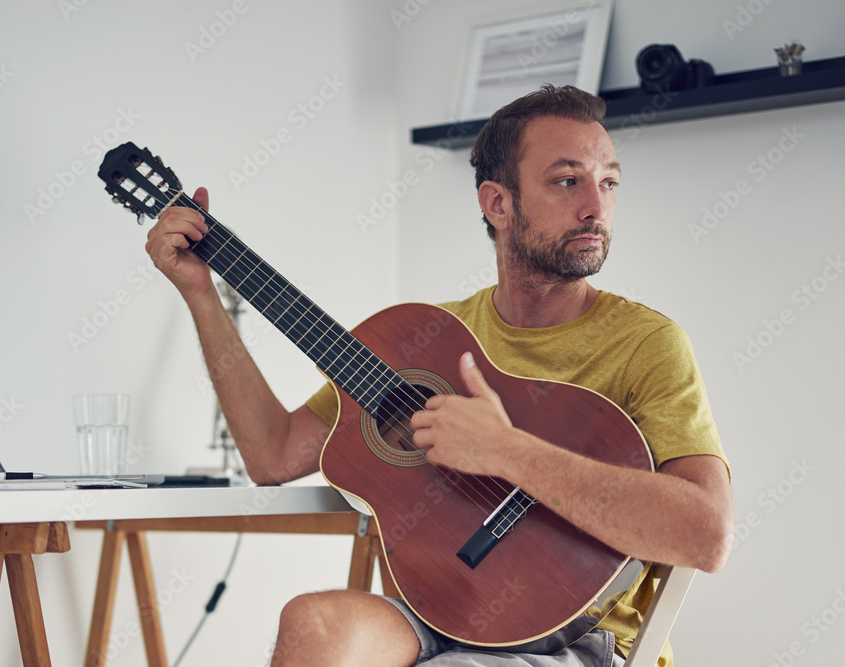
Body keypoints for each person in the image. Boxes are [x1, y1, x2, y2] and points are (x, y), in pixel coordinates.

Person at [144, 84, 734, 667]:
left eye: (609, 183)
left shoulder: (647, 345)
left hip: (581, 637)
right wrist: (202, 297)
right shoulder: (420, 339)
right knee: (312, 623)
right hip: (438, 616)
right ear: (497, 204)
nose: (596, 207)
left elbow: (706, 534)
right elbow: (273, 455)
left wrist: (508, 451)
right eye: (566, 180)